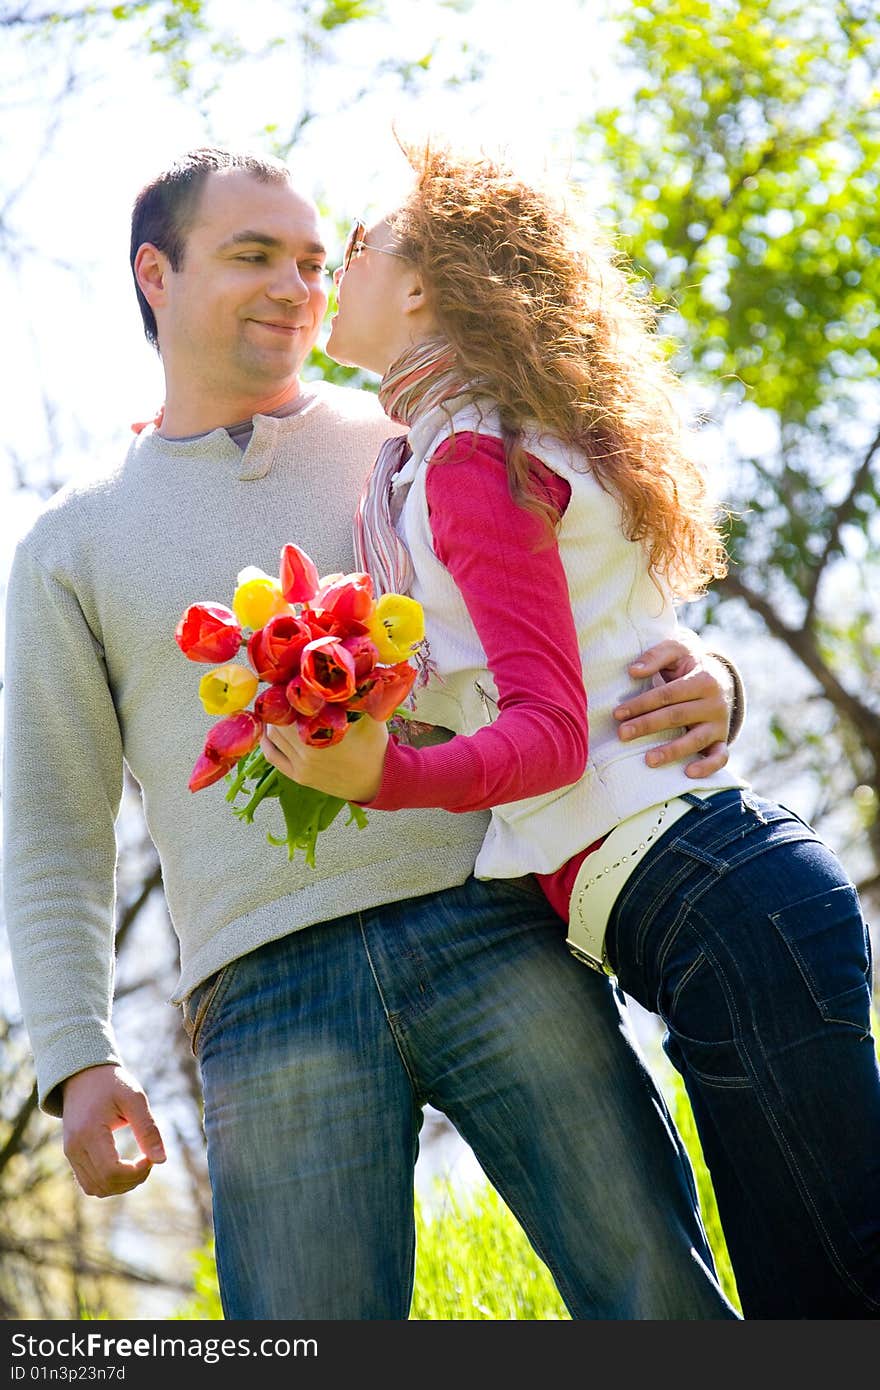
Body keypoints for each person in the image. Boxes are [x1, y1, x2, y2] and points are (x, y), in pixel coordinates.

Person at [3, 146, 744, 1322]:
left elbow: (596, 591)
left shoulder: (413, 438)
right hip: (263, 990)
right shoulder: (69, 545)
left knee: (657, 1297)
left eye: (311, 259)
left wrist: (711, 674)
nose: (297, 285)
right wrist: (78, 1055)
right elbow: (51, 818)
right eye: (253, 256)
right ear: (155, 271)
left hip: (492, 922)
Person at [262, 145, 880, 1320]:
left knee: (847, 1284)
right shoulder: (466, 442)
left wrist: (379, 774)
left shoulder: (467, 459)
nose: (335, 265)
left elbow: (549, 734)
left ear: (429, 284)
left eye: (356, 244)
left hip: (708, 897)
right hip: (714, 897)